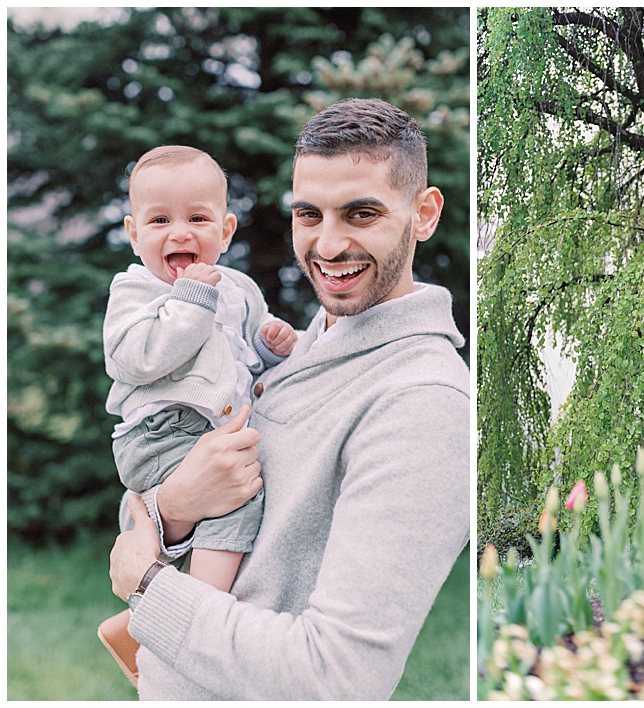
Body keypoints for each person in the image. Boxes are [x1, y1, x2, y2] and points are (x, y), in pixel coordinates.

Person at [108, 98, 470, 700]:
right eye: (309, 214)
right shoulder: (300, 347)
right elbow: (168, 496)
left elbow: (337, 678)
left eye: (361, 213)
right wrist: (171, 507)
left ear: (424, 214)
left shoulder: (425, 404)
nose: (328, 246)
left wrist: (148, 586)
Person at [98, 146, 297, 683]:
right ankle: (192, 627)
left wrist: (275, 346)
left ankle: (148, 620)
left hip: (210, 427)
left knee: (231, 502)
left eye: (198, 218)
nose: (180, 232)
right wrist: (189, 299)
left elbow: (245, 358)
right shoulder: (136, 290)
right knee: (238, 500)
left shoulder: (241, 290)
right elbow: (138, 357)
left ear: (226, 230)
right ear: (134, 233)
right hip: (159, 432)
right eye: (160, 220)